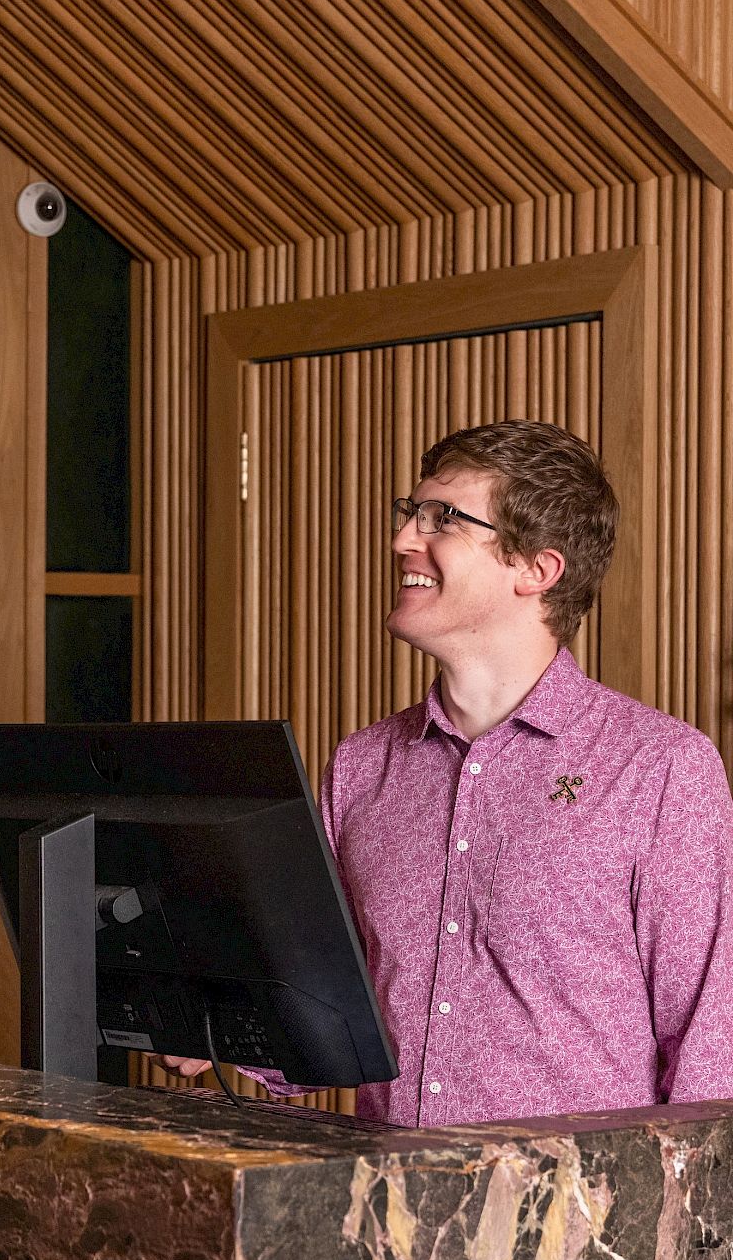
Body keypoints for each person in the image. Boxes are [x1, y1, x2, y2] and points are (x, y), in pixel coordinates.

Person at [166, 419, 733, 1125]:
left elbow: (712, 1049)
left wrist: (692, 1231)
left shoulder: (662, 769)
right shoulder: (362, 765)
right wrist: (216, 1030)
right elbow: (328, 1012)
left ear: (537, 568)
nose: (405, 538)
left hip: (582, 1224)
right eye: (410, 513)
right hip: (386, 1216)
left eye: (442, 518)